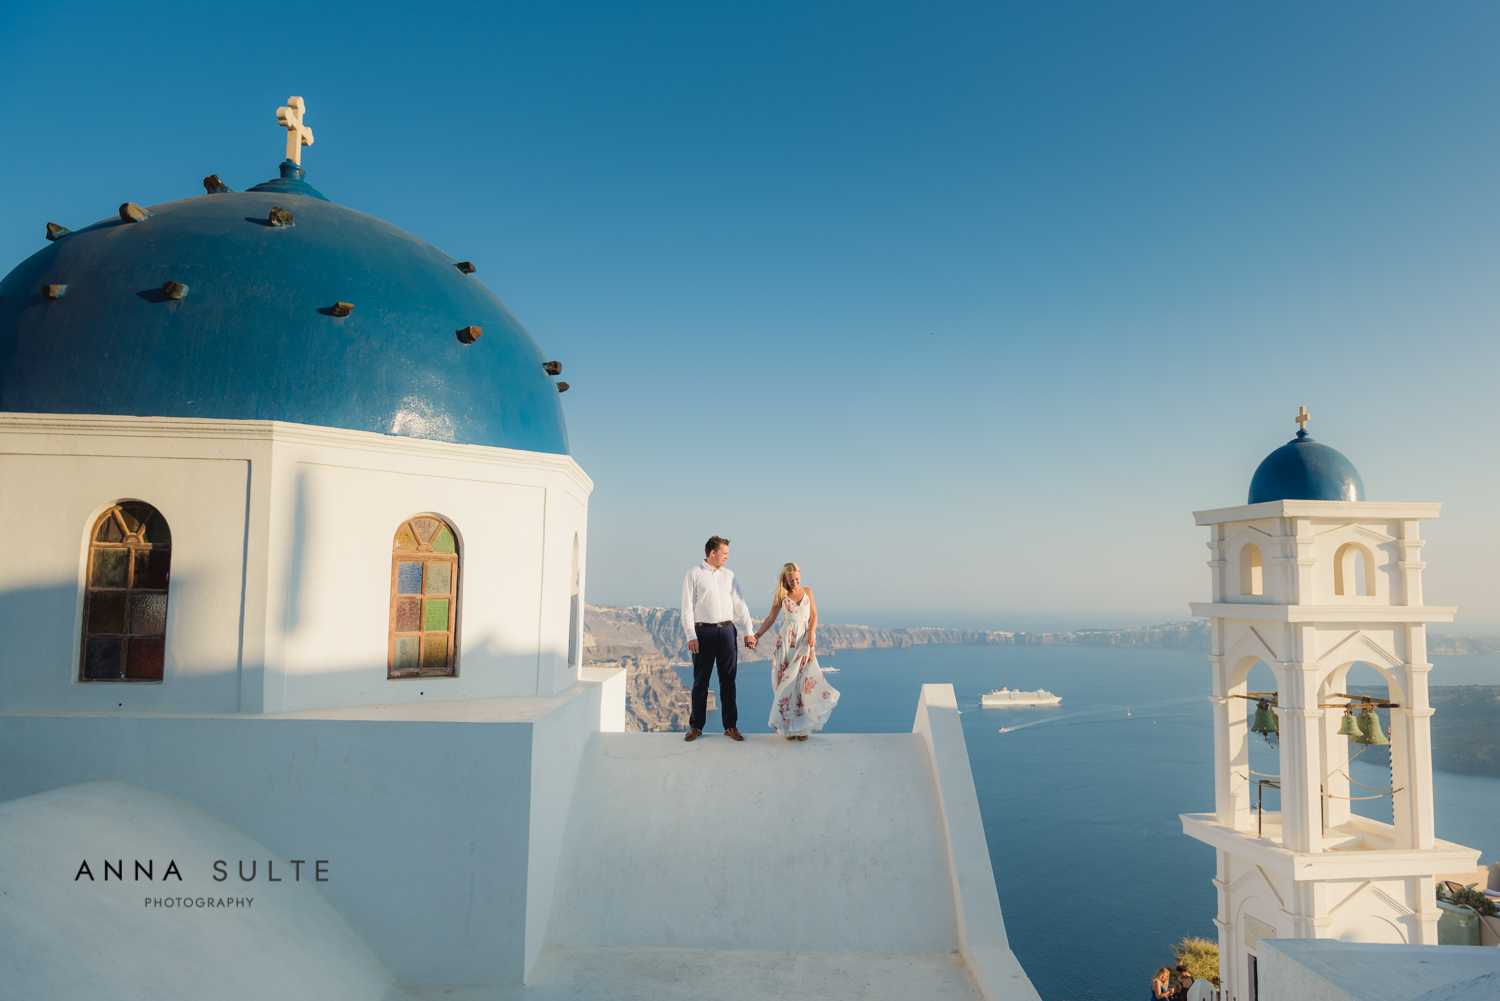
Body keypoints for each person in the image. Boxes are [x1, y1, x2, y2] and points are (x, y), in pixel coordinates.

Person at [681, 536, 757, 742]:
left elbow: (740, 603)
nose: (727, 557)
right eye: (725, 553)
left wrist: (748, 630)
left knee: (728, 681)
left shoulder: (729, 575)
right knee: (700, 682)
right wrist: (691, 635)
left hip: (727, 631)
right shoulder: (694, 574)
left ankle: (730, 726)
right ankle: (696, 726)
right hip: (703, 633)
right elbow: (687, 608)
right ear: (712, 553)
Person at [753, 562, 838, 740]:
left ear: (800, 576)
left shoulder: (808, 591)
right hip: (786, 642)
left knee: (802, 682)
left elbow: (814, 615)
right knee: (786, 682)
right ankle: (788, 729)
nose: (794, 582)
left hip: (804, 640)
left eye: (797, 579)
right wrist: (758, 635)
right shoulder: (781, 595)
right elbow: (771, 617)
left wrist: (812, 633)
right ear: (785, 579)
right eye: (791, 580)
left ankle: (802, 729)